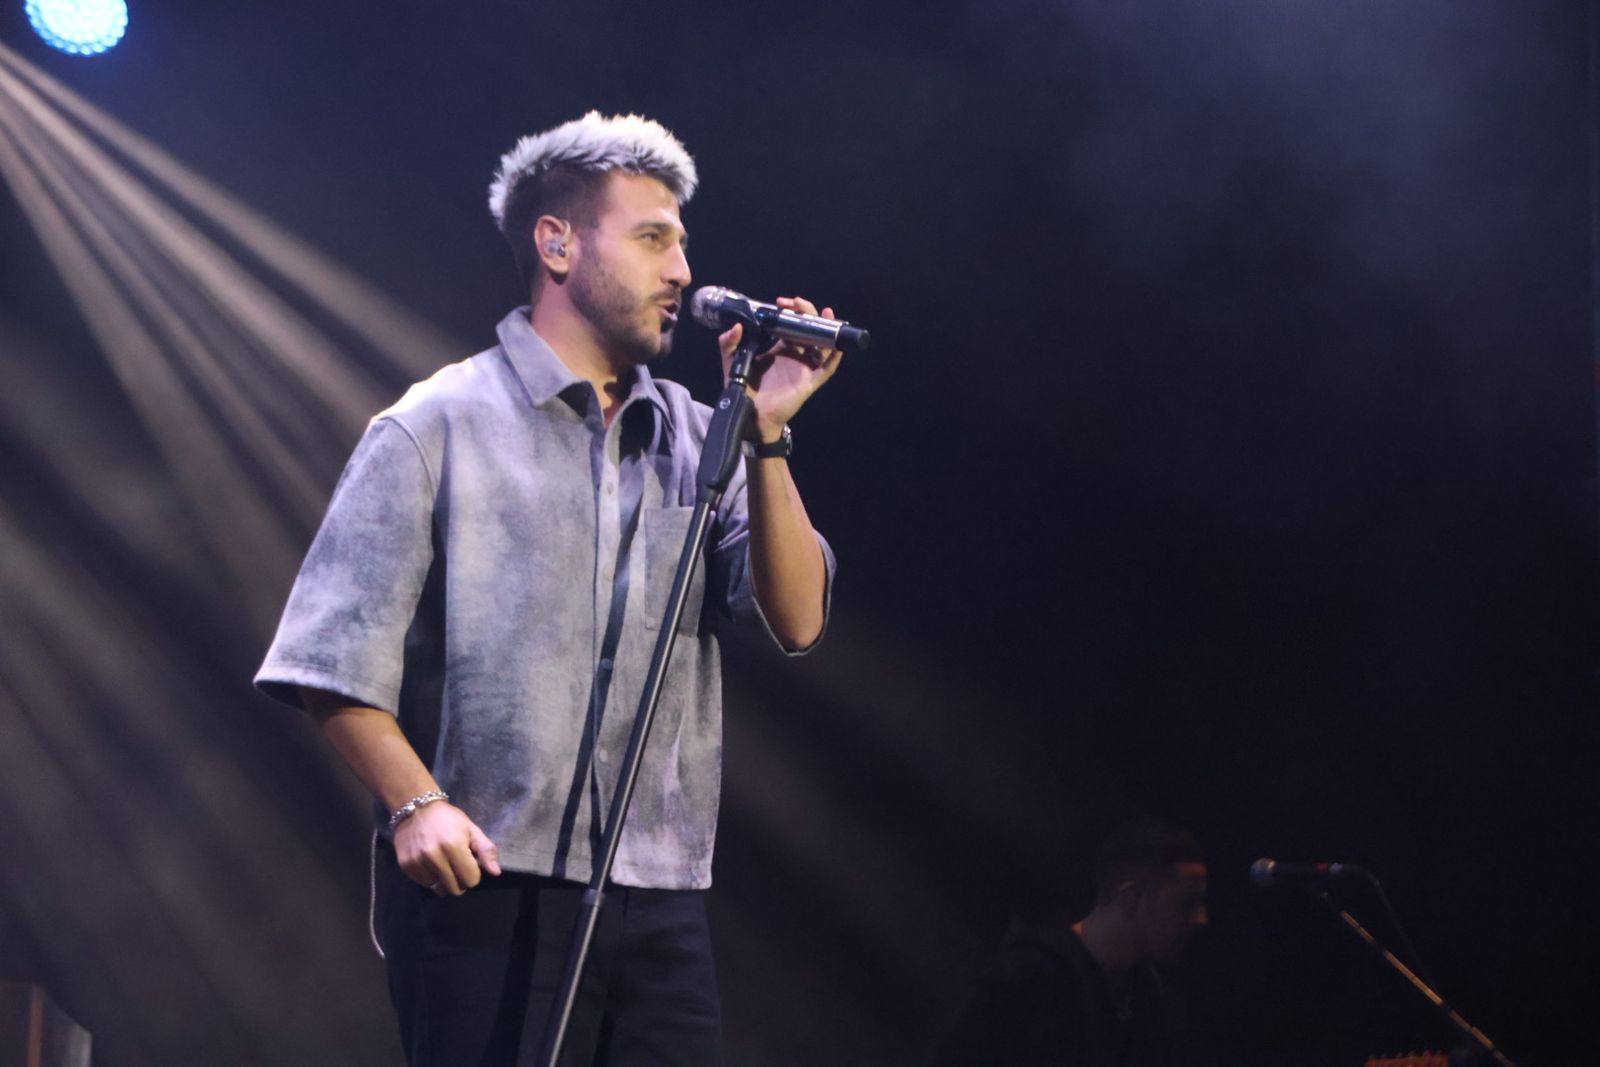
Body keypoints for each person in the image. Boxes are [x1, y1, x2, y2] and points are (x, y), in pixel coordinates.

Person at [254, 111, 839, 1066]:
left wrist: (766, 425)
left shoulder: (704, 434)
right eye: (653, 237)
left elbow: (799, 617)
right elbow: (327, 657)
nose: (683, 271)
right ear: (557, 241)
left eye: (683, 243)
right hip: (487, 886)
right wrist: (415, 805)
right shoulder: (434, 424)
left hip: (660, 895)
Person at [936, 818, 1209, 1067]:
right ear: (1132, 898)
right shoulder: (1027, 979)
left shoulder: (1152, 995)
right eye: (1187, 904)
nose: (1201, 919)